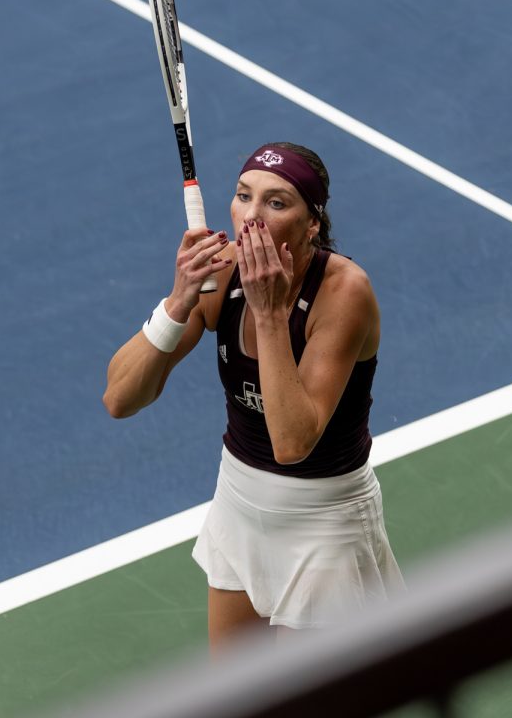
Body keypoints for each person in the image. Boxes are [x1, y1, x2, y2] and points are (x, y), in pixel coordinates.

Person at [103, 142, 403, 654]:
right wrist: (177, 302)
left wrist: (267, 315)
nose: (251, 216)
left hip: (324, 525)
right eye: (244, 196)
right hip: (241, 506)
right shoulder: (220, 272)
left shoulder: (344, 293)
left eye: (276, 202)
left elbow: (292, 441)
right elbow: (120, 398)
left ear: (313, 223)